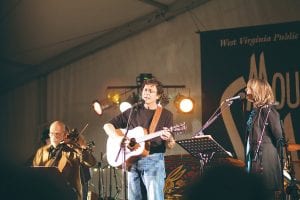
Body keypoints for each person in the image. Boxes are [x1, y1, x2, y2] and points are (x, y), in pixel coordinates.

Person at [103, 78, 176, 200]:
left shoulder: (166, 115)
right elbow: (107, 126)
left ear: (158, 95)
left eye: (151, 91)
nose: (146, 92)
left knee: (155, 197)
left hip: (154, 160)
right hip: (132, 160)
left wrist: (169, 139)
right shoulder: (133, 110)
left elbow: (171, 145)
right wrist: (117, 138)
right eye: (145, 89)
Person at [32, 120, 96, 200]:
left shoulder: (72, 150)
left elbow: (91, 162)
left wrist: (77, 147)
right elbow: (35, 174)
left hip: (68, 196)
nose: (54, 137)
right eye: (52, 134)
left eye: (57, 134)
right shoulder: (41, 151)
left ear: (65, 135)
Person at [245, 78, 284, 199]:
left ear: (257, 90)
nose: (246, 90)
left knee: (266, 193)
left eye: (249, 87)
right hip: (255, 157)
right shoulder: (255, 111)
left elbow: (279, 137)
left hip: (265, 157)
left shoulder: (269, 110)